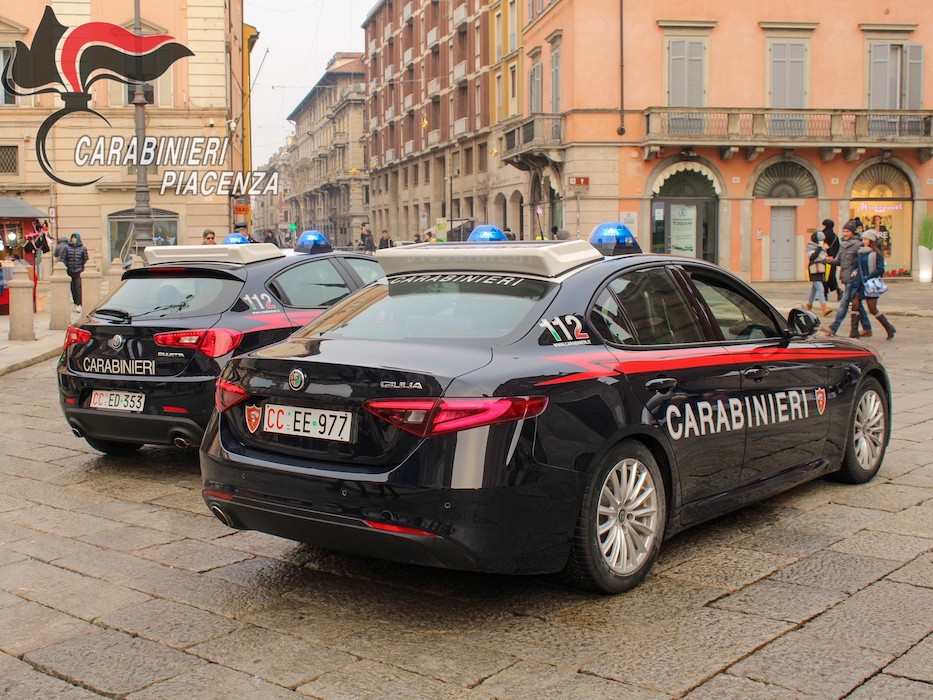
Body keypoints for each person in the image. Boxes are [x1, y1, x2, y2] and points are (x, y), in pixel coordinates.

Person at [821, 220, 872, 337]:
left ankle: (833, 327)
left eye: (847, 231)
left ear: (853, 232)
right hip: (845, 277)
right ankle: (867, 327)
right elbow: (839, 261)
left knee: (844, 303)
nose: (845, 233)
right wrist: (828, 260)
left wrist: (857, 271)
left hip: (853, 279)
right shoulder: (843, 245)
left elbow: (861, 262)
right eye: (844, 231)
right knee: (856, 304)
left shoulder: (859, 245)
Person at [849, 230, 896, 340]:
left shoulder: (877, 254)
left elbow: (880, 269)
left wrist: (868, 277)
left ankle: (889, 328)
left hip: (870, 284)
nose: (864, 241)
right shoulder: (860, 252)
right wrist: (855, 271)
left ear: (871, 240)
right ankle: (854, 332)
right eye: (863, 239)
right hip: (859, 283)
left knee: (872, 309)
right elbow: (857, 265)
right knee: (855, 305)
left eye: (866, 239)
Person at [59, 232, 89, 312]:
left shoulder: (83, 249)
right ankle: (75, 303)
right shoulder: (67, 248)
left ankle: (79, 304)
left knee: (78, 287)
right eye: (72, 238)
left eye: (75, 238)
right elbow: (63, 258)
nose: (73, 239)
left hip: (79, 271)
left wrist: (84, 269)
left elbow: (86, 260)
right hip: (70, 270)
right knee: (72, 288)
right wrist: (63, 266)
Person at [805, 231, 832, 316]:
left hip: (821, 269)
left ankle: (809, 306)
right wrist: (819, 247)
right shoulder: (810, 247)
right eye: (820, 240)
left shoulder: (823, 247)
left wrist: (827, 248)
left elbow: (829, 255)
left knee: (814, 289)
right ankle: (824, 308)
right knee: (820, 289)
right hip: (814, 270)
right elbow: (813, 257)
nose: (822, 241)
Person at [820, 219, 841, 301]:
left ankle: (825, 294)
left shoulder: (823, 235)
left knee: (824, 277)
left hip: (825, 258)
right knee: (832, 276)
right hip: (833, 259)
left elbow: (821, 246)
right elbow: (838, 248)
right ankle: (838, 290)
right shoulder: (835, 236)